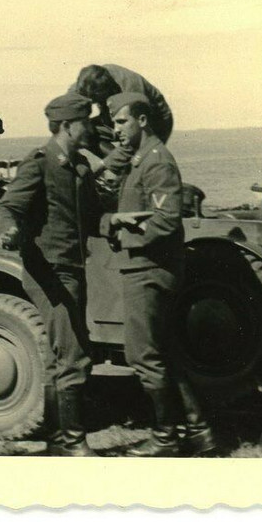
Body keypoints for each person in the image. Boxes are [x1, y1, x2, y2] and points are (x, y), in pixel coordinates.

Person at [104, 92, 217, 457]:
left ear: (141, 121)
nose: (115, 129)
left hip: (148, 270)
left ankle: (164, 437)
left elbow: (167, 220)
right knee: (163, 352)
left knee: (143, 356)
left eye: (121, 122)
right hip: (148, 268)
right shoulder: (141, 159)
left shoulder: (156, 162)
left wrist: (122, 232)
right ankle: (201, 433)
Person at [0, 92, 101, 456]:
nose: (91, 126)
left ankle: (56, 440)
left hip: (72, 271)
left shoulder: (80, 167)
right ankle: (73, 443)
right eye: (85, 121)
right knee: (73, 355)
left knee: (61, 356)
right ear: (68, 126)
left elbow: (92, 217)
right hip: (49, 274)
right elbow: (8, 207)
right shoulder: (40, 164)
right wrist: (7, 230)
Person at [71, 64, 175, 196]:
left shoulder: (131, 88)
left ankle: (130, 180)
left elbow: (134, 139)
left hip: (155, 120)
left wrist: (102, 165)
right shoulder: (86, 83)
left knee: (139, 158)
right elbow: (66, 109)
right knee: (84, 132)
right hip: (113, 115)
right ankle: (121, 174)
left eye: (97, 101)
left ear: (107, 90)